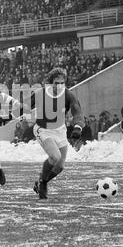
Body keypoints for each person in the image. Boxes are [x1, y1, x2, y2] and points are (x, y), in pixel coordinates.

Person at [28, 68, 83, 199]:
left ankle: (42, 181)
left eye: (62, 83)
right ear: (50, 83)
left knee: (60, 166)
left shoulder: (68, 95)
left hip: (60, 130)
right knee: (55, 157)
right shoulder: (40, 93)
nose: (59, 85)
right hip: (43, 129)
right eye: (56, 83)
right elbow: (23, 107)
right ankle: (43, 183)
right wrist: (7, 116)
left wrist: (77, 126)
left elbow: (77, 111)